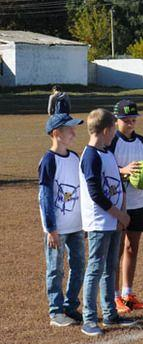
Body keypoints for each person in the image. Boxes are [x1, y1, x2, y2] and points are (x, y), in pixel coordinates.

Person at [79, 109, 135, 336]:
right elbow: (95, 193)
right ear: (106, 130)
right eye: (113, 129)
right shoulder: (91, 155)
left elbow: (117, 184)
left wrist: (122, 211)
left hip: (113, 221)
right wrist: (118, 214)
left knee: (110, 267)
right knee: (95, 268)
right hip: (99, 222)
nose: (115, 134)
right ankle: (89, 318)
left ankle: (110, 314)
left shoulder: (106, 152)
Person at [39, 113, 86, 327]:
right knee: (55, 269)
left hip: (76, 226)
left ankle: (70, 306)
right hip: (57, 228)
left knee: (79, 266)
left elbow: (82, 191)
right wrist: (51, 229)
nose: (74, 133)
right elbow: (45, 197)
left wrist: (84, 222)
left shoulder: (75, 157)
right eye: (69, 129)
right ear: (56, 133)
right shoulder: (48, 160)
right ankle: (55, 311)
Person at [110, 100, 143, 314]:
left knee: (131, 248)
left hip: (138, 202)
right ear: (116, 120)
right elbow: (105, 170)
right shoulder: (111, 142)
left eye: (133, 119)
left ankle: (128, 293)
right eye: (126, 119)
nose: (130, 122)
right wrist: (123, 170)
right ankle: (115, 296)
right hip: (117, 204)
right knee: (116, 250)